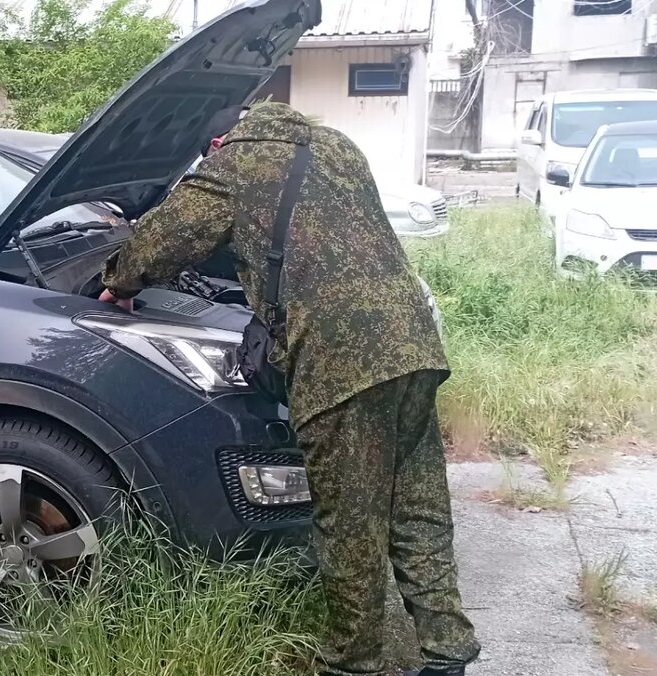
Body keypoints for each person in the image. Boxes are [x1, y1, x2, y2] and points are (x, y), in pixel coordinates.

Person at [98, 101, 480, 676]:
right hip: (414, 343)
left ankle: (353, 662)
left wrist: (117, 283)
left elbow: (162, 242)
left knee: (347, 522)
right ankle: (448, 650)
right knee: (418, 504)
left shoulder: (235, 164)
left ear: (219, 141)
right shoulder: (338, 148)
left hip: (340, 359)